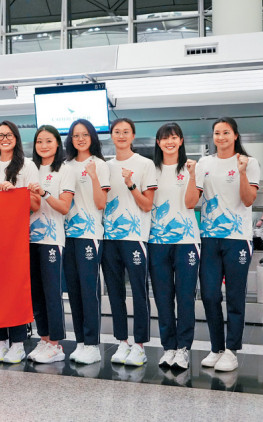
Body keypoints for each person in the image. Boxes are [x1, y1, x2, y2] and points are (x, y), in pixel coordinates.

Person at [197, 117, 259, 372]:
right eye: (217, 133)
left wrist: (242, 172)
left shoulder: (248, 162)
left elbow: (248, 199)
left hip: (237, 239)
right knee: (210, 294)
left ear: (235, 136)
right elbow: (195, 196)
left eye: (226, 132)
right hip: (210, 238)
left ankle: (232, 350)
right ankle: (216, 347)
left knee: (234, 296)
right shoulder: (204, 163)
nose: (221, 137)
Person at [102, 117, 157, 367]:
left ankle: (140, 345)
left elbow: (147, 205)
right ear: (111, 136)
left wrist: (131, 184)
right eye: (117, 132)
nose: (121, 136)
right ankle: (122, 341)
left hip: (135, 238)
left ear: (133, 136)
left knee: (138, 291)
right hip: (109, 238)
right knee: (114, 293)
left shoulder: (145, 164)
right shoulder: (104, 166)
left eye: (126, 132)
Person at [0, 121, 39, 364]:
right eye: (0, 135)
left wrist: (15, 190)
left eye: (9, 135)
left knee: (15, 290)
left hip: (17, 236)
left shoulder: (27, 166)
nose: (4, 139)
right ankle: (0, 341)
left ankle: (17, 343)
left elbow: (35, 202)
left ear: (16, 138)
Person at [148, 122, 200, 370]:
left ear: (181, 141)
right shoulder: (151, 170)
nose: (169, 142)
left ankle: (183, 348)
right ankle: (168, 347)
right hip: (157, 241)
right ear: (158, 143)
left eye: (174, 137)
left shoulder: (190, 168)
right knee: (163, 296)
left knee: (185, 296)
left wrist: (192, 175)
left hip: (186, 242)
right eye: (164, 138)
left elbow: (191, 203)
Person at [25, 125, 75, 364]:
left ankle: (56, 344)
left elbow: (64, 207)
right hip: (28, 239)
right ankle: (43, 339)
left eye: (48, 141)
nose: (43, 145)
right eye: (39, 141)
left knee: (52, 293)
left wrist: (44, 193)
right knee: (36, 293)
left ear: (57, 143)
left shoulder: (65, 170)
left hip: (52, 240)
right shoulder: (30, 168)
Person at [62, 119, 110, 365]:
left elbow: (101, 203)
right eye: (75, 135)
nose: (80, 139)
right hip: (67, 235)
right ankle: (80, 341)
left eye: (84, 134)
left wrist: (92, 177)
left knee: (89, 290)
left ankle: (92, 344)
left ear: (92, 137)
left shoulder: (100, 165)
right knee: (74, 290)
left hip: (90, 235)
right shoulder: (65, 165)